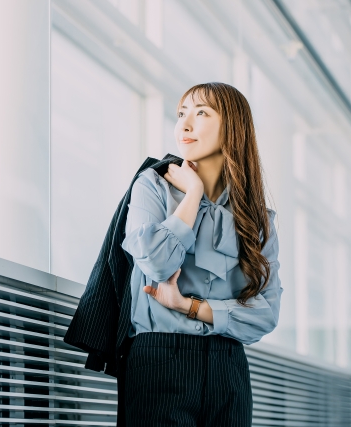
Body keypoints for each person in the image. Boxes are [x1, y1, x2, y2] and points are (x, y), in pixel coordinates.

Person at [120, 82, 282, 426]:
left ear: (232, 128)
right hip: (159, 360)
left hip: (229, 367)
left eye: (201, 113)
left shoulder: (257, 218)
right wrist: (192, 193)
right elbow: (156, 263)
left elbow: (265, 315)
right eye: (181, 114)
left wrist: (186, 305)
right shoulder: (151, 186)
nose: (185, 124)